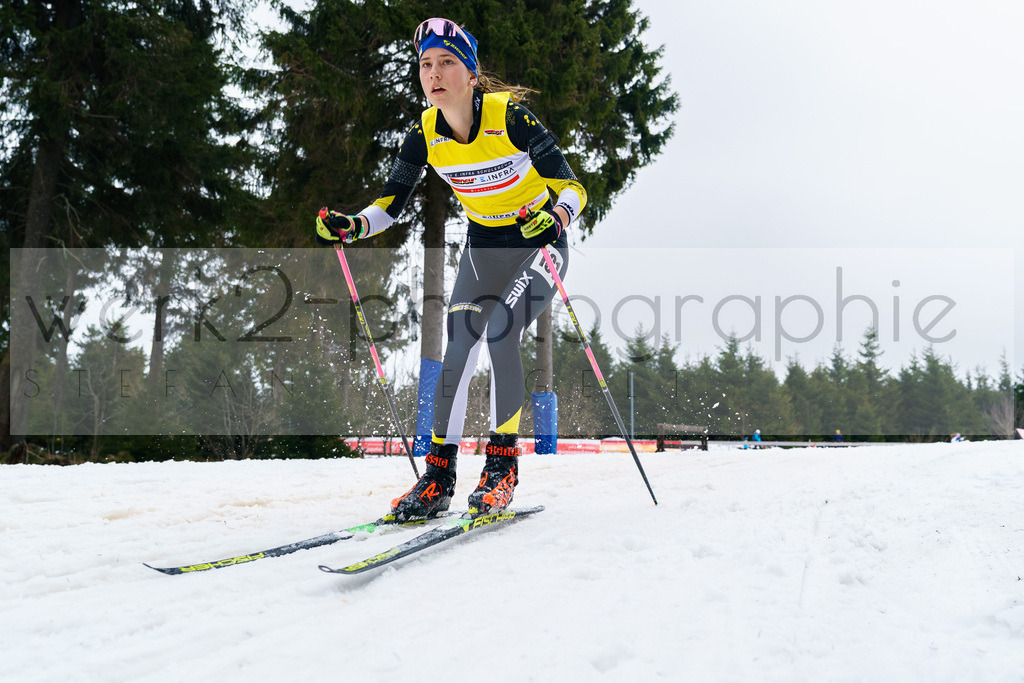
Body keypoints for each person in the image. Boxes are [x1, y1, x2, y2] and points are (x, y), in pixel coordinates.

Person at [315, 18, 586, 519]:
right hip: (483, 249)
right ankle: (438, 478)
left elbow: (573, 186)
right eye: (425, 65)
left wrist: (556, 216)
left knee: (502, 333)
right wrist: (352, 226)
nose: (434, 74)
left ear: (471, 72)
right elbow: (391, 204)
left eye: (446, 63)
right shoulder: (424, 132)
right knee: (459, 345)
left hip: (539, 246)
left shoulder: (510, 118)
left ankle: (502, 469)